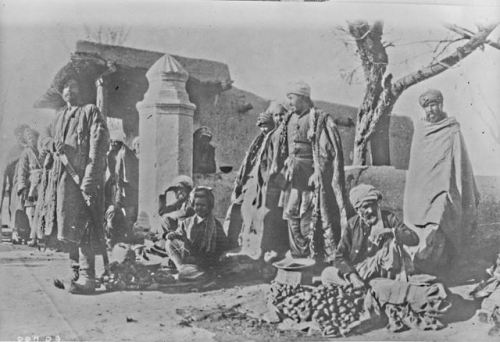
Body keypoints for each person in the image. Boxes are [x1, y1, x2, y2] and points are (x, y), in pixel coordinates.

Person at [39, 78, 109, 294]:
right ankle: (76, 272)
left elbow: (98, 147)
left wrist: (89, 179)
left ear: (82, 90)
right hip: (62, 183)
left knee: (85, 226)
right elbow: (43, 138)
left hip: (82, 181)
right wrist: (51, 144)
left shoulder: (90, 112)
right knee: (67, 226)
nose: (70, 90)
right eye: (66, 88)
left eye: (74, 86)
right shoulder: (58, 117)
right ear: (62, 93)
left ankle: (89, 277)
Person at [404, 89, 480, 274]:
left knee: (439, 218)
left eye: (435, 105)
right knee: (424, 229)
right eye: (428, 106)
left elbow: (461, 161)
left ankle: (443, 263)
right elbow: (416, 167)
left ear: (441, 104)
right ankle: (428, 266)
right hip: (422, 190)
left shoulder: (451, 128)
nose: (432, 109)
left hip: (445, 188)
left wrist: (465, 187)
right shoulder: (421, 130)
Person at [273, 81, 348, 260]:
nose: (289, 102)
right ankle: (297, 252)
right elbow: (280, 144)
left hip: (309, 176)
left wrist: (318, 172)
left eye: (292, 98)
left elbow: (326, 150)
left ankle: (312, 255)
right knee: (290, 212)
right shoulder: (288, 119)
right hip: (291, 176)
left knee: (308, 213)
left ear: (304, 97)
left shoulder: (319, 118)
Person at [322, 184, 419, 288]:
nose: (371, 210)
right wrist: (352, 275)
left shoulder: (388, 218)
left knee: (392, 246)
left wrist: (392, 232)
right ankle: (361, 285)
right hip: (361, 271)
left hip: (385, 273)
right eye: (365, 207)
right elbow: (339, 256)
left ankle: (374, 287)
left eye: (373, 204)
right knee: (327, 274)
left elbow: (414, 239)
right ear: (357, 209)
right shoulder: (352, 225)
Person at [224, 110, 275, 251]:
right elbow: (247, 163)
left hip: (260, 183)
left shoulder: (273, 139)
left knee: (250, 214)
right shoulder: (258, 141)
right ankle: (229, 243)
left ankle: (247, 246)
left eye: (267, 125)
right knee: (234, 209)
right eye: (262, 126)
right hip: (248, 181)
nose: (264, 129)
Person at [165, 186, 228, 277]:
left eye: (203, 205)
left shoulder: (215, 225)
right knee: (169, 242)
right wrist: (172, 235)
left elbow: (222, 246)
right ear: (193, 205)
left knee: (204, 268)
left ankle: (192, 272)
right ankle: (182, 268)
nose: (199, 208)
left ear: (209, 207)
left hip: (204, 259)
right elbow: (179, 234)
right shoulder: (187, 222)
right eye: (197, 205)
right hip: (188, 256)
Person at [13, 128, 44, 247]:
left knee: (43, 211)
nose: (31, 138)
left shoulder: (43, 149)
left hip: (45, 182)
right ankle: (33, 236)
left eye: (32, 136)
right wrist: (22, 186)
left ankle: (42, 236)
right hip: (32, 185)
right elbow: (22, 171)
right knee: (31, 211)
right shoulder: (26, 153)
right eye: (28, 137)